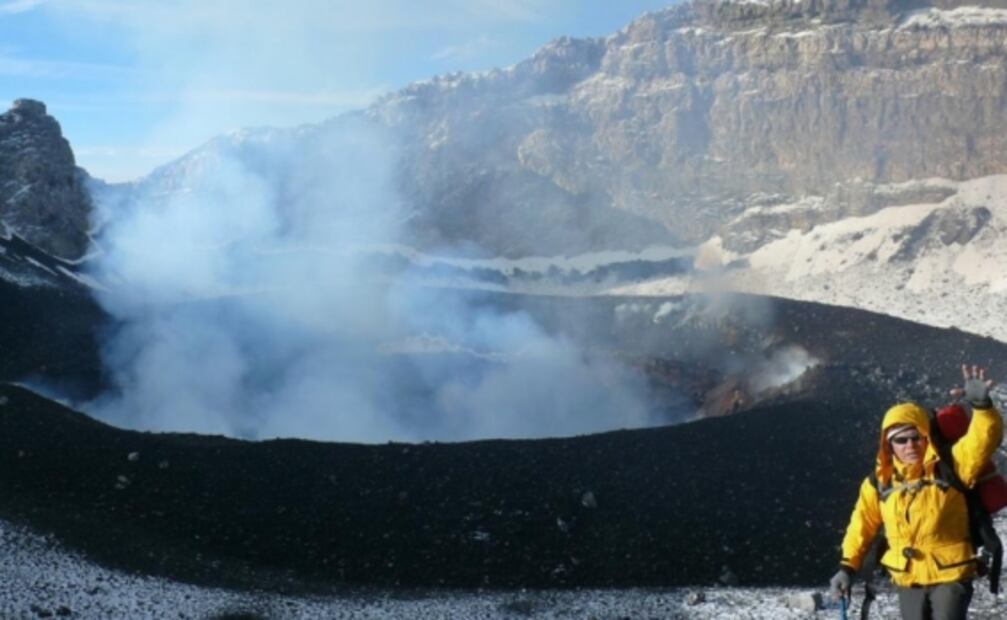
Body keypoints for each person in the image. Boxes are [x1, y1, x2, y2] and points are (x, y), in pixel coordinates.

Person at [830, 364, 1003, 620]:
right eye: (901, 440)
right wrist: (847, 566)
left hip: (951, 575)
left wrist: (982, 407)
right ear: (888, 445)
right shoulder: (879, 483)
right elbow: (861, 526)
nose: (910, 445)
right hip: (907, 577)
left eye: (916, 437)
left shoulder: (952, 467)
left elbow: (982, 441)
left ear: (926, 438)